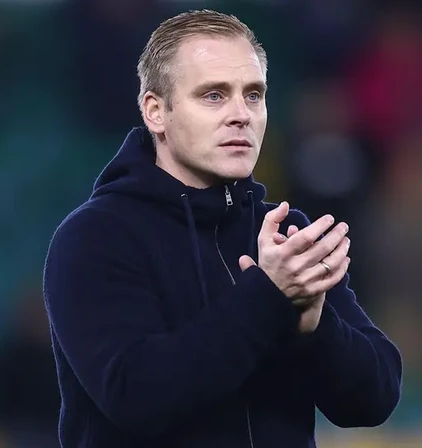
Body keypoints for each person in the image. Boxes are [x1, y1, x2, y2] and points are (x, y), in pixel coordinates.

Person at [43, 9, 402, 448]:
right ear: (155, 112)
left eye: (253, 95)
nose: (241, 115)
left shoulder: (287, 234)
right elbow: (138, 399)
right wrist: (269, 296)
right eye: (213, 95)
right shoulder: (95, 237)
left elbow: (375, 401)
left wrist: (314, 326)